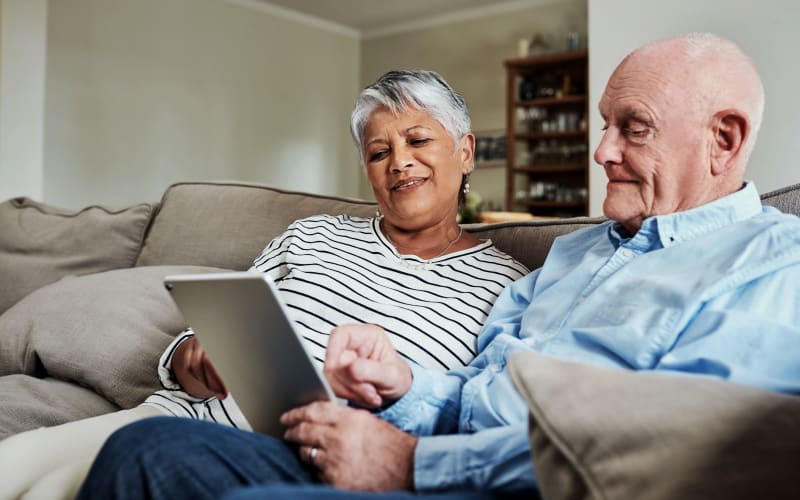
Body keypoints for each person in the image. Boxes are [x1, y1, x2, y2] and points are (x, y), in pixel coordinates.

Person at [76, 33, 800, 500]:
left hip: (488, 483)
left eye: (631, 128)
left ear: (724, 140)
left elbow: (683, 456)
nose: (602, 151)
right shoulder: (576, 253)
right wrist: (403, 385)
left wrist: (411, 465)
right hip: (415, 460)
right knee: (148, 452)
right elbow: (474, 390)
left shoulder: (773, 267)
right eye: (603, 125)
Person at [0, 70, 528, 500]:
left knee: (57, 489)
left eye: (417, 140)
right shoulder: (313, 235)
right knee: (13, 465)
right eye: (377, 152)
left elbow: (478, 411)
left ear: (464, 152)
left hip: (303, 463)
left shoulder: (510, 284)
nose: (399, 163)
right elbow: (210, 330)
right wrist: (194, 355)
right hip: (183, 415)